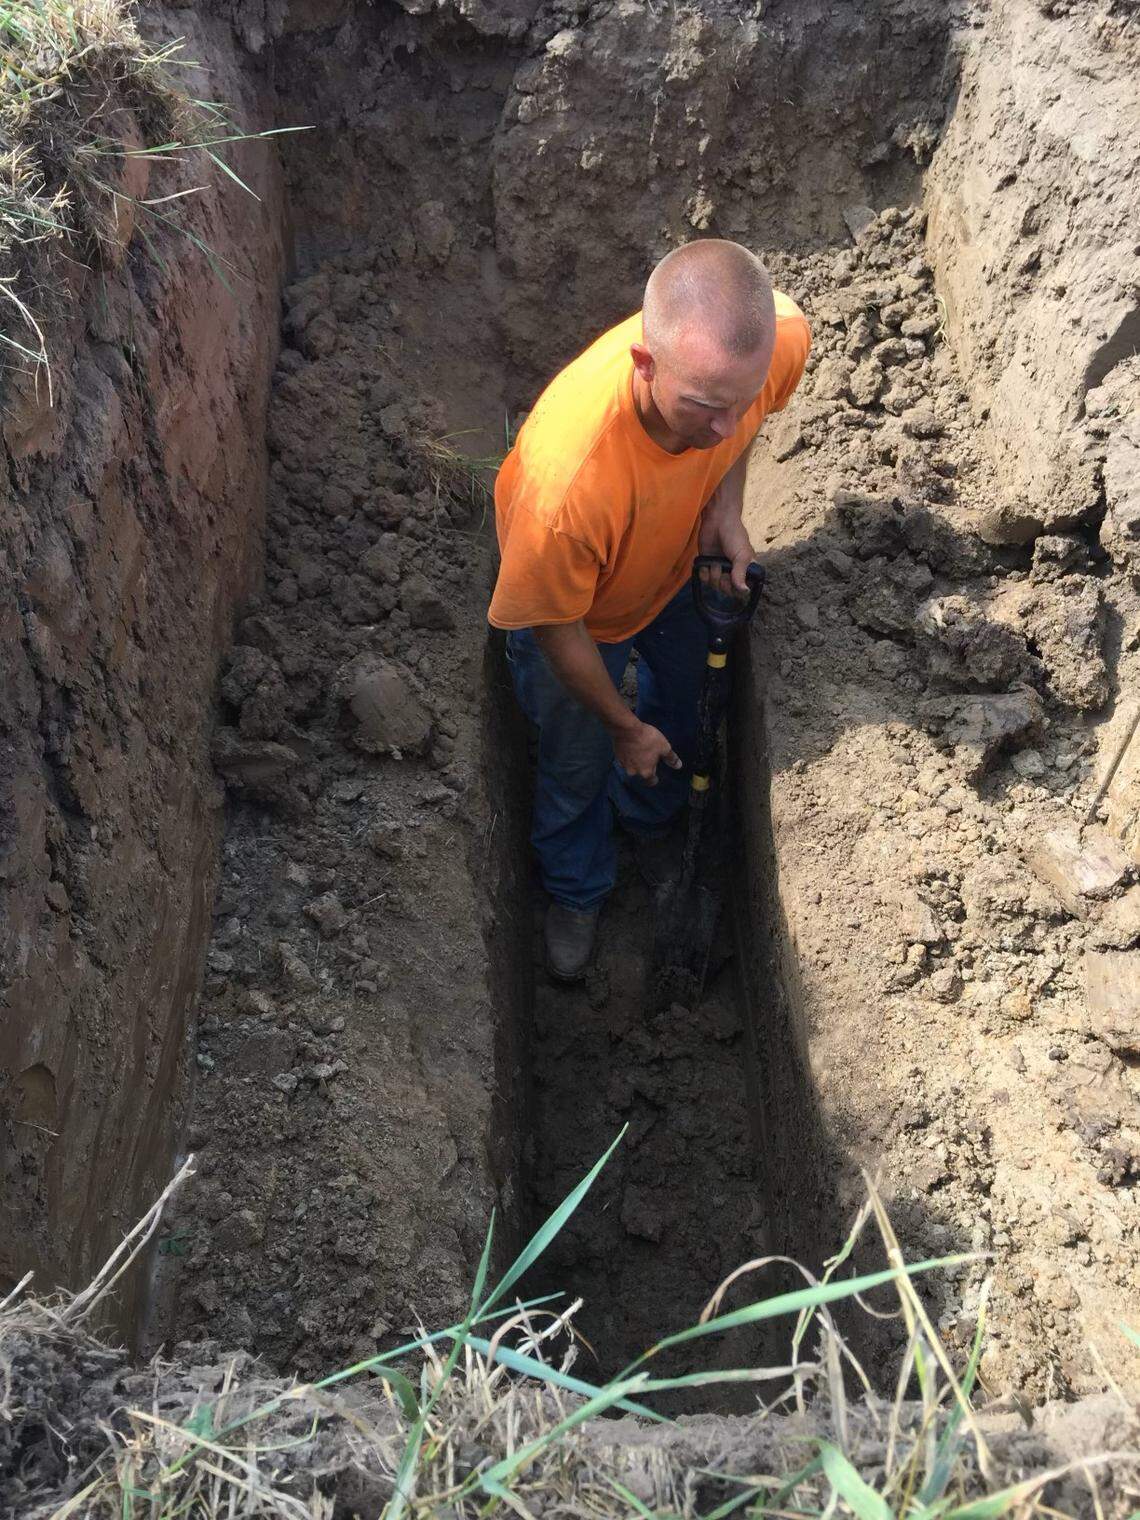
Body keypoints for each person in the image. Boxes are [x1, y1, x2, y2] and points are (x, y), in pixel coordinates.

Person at [488, 239, 811, 981]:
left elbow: (741, 425)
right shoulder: (566, 487)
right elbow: (555, 630)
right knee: (575, 764)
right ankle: (577, 888)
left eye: (743, 401)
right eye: (703, 407)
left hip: (673, 572)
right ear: (645, 365)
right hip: (578, 620)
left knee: (691, 714)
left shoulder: (770, 345)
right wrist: (623, 726)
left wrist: (727, 505)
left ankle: (651, 821)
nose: (726, 427)